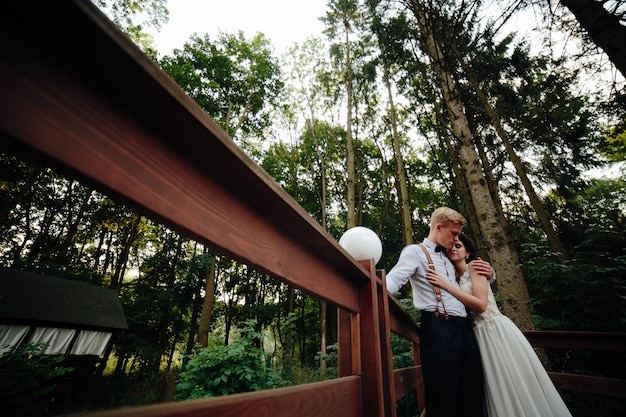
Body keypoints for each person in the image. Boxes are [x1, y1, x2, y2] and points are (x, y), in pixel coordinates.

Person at [426, 233, 573, 417]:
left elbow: (480, 305)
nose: (453, 249)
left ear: (468, 252)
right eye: (450, 247)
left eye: (458, 246)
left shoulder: (474, 266)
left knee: (511, 378)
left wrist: (449, 286)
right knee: (494, 385)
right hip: (477, 336)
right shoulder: (454, 277)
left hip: (494, 330)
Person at [385, 207, 494, 417]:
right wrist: (371, 284)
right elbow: (395, 279)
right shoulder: (415, 252)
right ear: (438, 227)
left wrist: (491, 273)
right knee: (443, 393)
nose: (456, 239)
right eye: (453, 233)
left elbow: (468, 276)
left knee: (472, 391)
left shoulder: (449, 254)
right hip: (439, 327)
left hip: (466, 328)